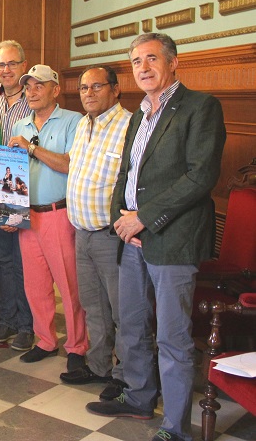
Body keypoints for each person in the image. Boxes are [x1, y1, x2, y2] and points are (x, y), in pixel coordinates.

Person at [86, 33, 226, 441]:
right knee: (130, 325)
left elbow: (200, 176)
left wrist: (144, 218)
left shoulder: (200, 107)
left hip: (173, 239)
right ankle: (139, 396)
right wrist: (120, 217)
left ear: (173, 62)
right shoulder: (139, 114)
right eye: (135, 61)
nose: (143, 68)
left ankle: (176, 428)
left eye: (151, 59)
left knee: (173, 337)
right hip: (132, 239)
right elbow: (128, 176)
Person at [5, 64, 87, 372]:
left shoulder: (73, 121)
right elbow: (11, 173)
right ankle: (45, 341)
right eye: (28, 86)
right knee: (35, 285)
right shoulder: (22, 124)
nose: (32, 91)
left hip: (58, 213)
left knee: (69, 286)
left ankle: (77, 347)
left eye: (40, 85)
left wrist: (33, 148)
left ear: (56, 89)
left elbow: (69, 165)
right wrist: (10, 211)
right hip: (28, 216)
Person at [61, 66, 131, 398]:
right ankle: (100, 366)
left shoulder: (129, 125)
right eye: (83, 87)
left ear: (115, 90)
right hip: (82, 230)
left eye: (97, 87)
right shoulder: (82, 124)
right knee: (93, 306)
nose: (88, 93)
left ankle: (128, 375)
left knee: (124, 309)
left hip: (111, 234)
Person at [0, 40, 34, 349]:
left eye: (12, 64)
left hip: (22, 187)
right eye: (1, 65)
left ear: (23, 66)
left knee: (21, 261)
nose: (6, 70)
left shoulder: (33, 95)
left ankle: (27, 325)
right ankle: (7, 319)